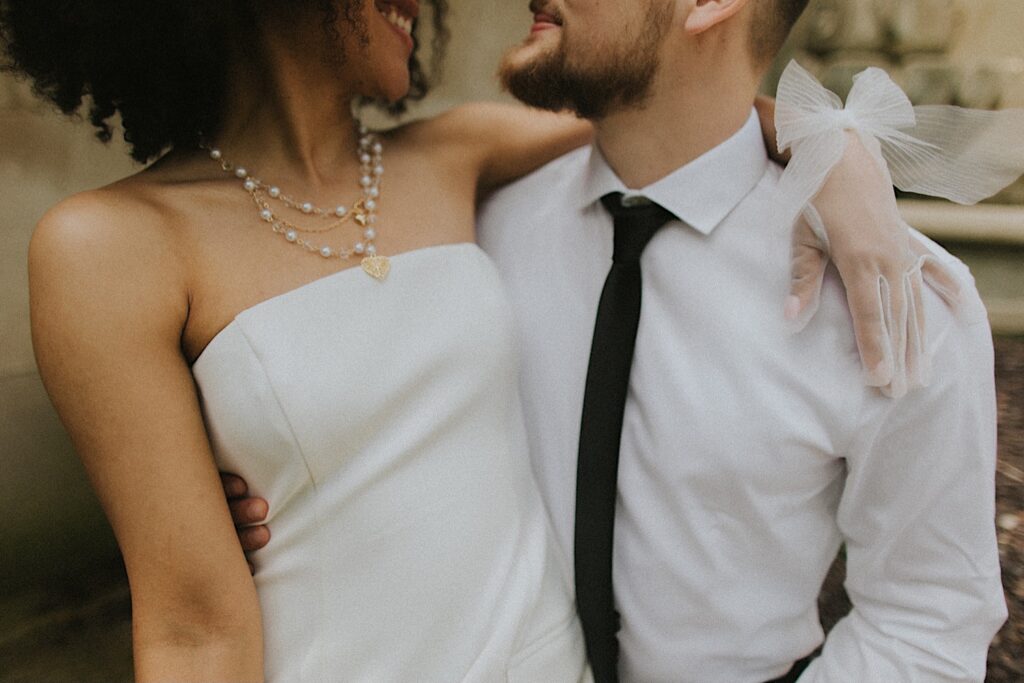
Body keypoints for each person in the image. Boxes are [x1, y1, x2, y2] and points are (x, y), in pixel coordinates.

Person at [7, 0, 963, 682]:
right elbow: (188, 626)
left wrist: (836, 146)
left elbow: (685, 121)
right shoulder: (106, 246)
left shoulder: (456, 157)